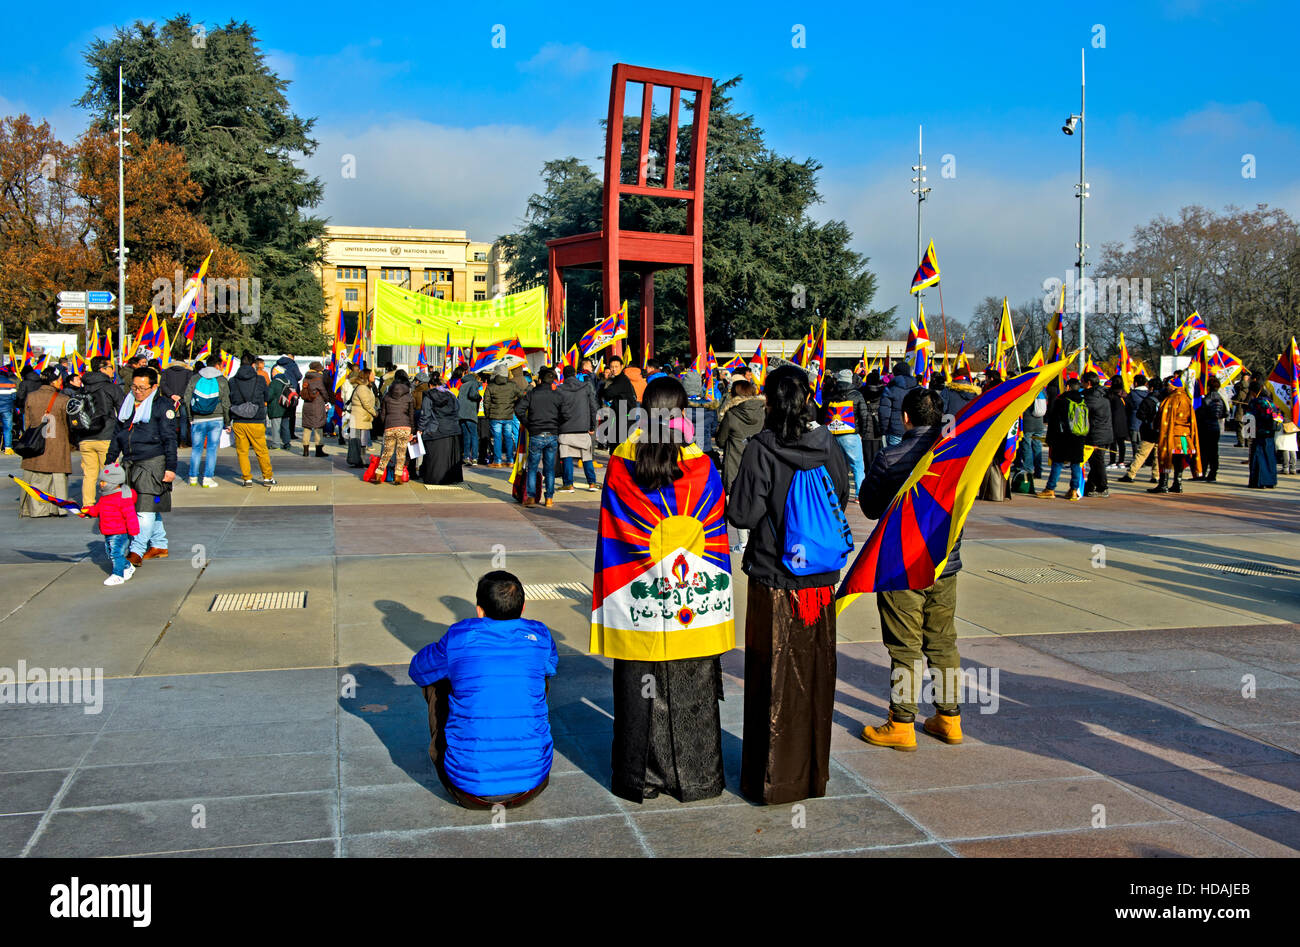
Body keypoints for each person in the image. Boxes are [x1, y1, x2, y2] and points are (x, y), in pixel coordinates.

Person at [592, 376, 734, 803]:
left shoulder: (620, 464)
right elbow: (711, 525)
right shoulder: (703, 466)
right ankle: (697, 777)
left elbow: (614, 530)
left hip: (637, 601)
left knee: (640, 689)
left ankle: (641, 778)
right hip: (691, 598)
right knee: (692, 689)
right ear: (684, 412)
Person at [726, 365, 850, 805]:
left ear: (770, 402)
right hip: (818, 586)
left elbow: (742, 514)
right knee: (814, 679)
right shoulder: (830, 445)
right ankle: (810, 776)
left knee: (771, 681)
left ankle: (771, 779)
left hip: (774, 581)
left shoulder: (761, 448)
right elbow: (840, 495)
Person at [858, 386, 966, 750]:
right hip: (945, 564)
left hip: (901, 566)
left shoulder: (890, 457)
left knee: (904, 646)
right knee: (942, 640)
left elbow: (870, 507)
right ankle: (949, 718)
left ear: (905, 418)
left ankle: (902, 722)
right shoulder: (956, 456)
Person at [408, 571, 557, 809]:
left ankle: (445, 750)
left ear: (479, 611)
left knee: (437, 680)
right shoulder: (540, 634)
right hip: (532, 786)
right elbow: (551, 666)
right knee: (537, 675)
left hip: (467, 791)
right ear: (523, 606)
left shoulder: (460, 635)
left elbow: (418, 671)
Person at [106, 366, 178, 564]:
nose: (137, 392)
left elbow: (170, 439)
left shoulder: (163, 406)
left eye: (142, 388)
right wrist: (109, 461)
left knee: (144, 510)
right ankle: (159, 545)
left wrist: (171, 468)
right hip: (130, 462)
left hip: (153, 462)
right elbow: (117, 436)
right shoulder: (127, 405)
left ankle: (136, 550)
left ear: (154, 387)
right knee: (141, 507)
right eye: (134, 387)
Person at [716, 378, 764, 552]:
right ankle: (757, 539)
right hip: (759, 463)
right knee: (758, 499)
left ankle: (743, 542)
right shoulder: (764, 410)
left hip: (735, 464)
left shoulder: (731, 414)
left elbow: (721, 441)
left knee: (738, 503)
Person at [17, 368, 72, 518]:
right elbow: (68, 425)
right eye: (60, 379)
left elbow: (27, 423)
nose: (61, 381)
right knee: (58, 476)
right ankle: (57, 508)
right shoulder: (63, 399)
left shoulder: (31, 397)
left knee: (35, 475)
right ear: (53, 381)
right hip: (57, 443)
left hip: (35, 443)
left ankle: (33, 509)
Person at [72, 357, 125, 507]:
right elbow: (124, 411)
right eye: (111, 367)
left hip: (85, 437)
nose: (113, 370)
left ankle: (87, 505)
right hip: (106, 436)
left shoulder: (83, 388)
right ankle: (111, 506)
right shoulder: (111, 388)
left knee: (89, 474)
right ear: (102, 369)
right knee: (109, 473)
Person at [80, 462, 139, 586]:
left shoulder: (123, 497)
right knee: (111, 553)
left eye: (104, 482)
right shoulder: (105, 497)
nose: (101, 484)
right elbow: (97, 510)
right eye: (101, 481)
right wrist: (88, 512)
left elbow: (130, 515)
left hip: (120, 533)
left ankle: (118, 575)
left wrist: (133, 530)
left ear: (114, 482)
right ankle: (128, 566)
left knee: (116, 554)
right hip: (108, 531)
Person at [515, 366, 562, 508]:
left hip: (536, 433)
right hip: (552, 434)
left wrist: (528, 424)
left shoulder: (532, 394)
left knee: (533, 467)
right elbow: (565, 414)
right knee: (549, 468)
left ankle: (531, 497)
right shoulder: (557, 396)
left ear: (540, 380)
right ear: (552, 381)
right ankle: (549, 498)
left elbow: (518, 409)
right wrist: (556, 425)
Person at [227, 353, 277, 487]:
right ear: (253, 364)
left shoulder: (232, 381)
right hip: (256, 419)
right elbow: (267, 396)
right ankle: (267, 477)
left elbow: (229, 399)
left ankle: (247, 478)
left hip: (238, 420)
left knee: (242, 452)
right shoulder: (260, 380)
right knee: (261, 450)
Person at [182, 354, 231, 487]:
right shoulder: (222, 380)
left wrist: (190, 417)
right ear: (217, 365)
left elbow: (186, 399)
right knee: (211, 449)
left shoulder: (195, 378)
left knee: (196, 449)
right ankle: (207, 478)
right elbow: (226, 402)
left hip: (197, 418)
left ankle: (192, 477)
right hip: (217, 418)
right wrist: (227, 422)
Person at [1038, 376, 1086, 501]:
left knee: (1057, 463)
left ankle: (1050, 489)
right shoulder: (1083, 401)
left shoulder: (1061, 400)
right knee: (1076, 464)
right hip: (1079, 437)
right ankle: (1074, 491)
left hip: (1062, 437)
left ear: (1068, 387)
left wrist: (1050, 439)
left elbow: (1054, 421)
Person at [823, 368, 868, 499]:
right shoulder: (857, 394)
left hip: (832, 435)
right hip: (851, 435)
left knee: (837, 466)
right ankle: (860, 495)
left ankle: (836, 493)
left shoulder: (832, 393)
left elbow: (824, 413)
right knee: (857, 466)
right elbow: (864, 415)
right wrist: (862, 433)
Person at [1151, 375, 1200, 494]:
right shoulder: (1187, 398)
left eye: (1168, 386)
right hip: (1185, 436)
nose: (1167, 388)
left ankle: (1163, 484)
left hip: (1172, 435)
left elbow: (1164, 418)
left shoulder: (1172, 399)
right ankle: (1178, 484)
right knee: (1179, 459)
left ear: (1173, 386)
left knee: (1166, 457)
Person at [416, 370, 463, 484]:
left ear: (430, 385)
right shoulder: (451, 395)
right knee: (450, 458)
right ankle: (452, 478)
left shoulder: (428, 395)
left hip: (435, 429)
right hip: (452, 428)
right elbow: (457, 410)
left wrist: (420, 429)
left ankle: (433, 478)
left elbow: (425, 414)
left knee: (434, 458)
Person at [557, 364, 598, 492]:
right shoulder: (585, 387)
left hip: (565, 428)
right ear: (575, 374)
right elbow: (593, 408)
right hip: (583, 427)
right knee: (586, 457)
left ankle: (568, 484)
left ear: (564, 375)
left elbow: (557, 410)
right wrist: (592, 426)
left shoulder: (560, 389)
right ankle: (592, 483)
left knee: (567, 456)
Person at [1120, 377, 1166, 483]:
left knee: (1141, 454)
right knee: (1157, 455)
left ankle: (1130, 474)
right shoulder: (1164, 399)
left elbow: (1140, 414)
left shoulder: (1148, 400)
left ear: (1152, 387)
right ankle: (1156, 476)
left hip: (1149, 431)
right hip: (1161, 431)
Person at [373, 369, 415, 484]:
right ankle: (397, 477)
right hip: (405, 426)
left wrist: (385, 424)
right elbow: (411, 415)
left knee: (387, 452)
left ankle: (378, 475)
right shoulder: (409, 396)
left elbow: (382, 413)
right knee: (401, 453)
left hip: (390, 426)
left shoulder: (387, 395)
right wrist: (412, 429)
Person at [483, 363, 523, 467]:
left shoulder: (491, 386)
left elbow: (486, 403)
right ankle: (510, 460)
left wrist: (488, 415)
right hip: (508, 415)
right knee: (508, 438)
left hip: (495, 416)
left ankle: (498, 461)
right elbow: (522, 395)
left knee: (497, 438)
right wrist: (514, 403)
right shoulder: (512, 386)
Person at [1081, 371, 1113, 498]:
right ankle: (1090, 486)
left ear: (1088, 383)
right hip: (1104, 433)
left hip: (1096, 435)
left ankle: (1103, 487)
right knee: (1095, 462)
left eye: (1083, 382)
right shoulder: (1103, 394)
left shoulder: (1092, 398)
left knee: (1097, 463)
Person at [599, 355, 638, 448]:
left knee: (620, 447)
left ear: (621, 366)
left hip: (625, 418)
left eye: (616, 366)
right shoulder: (618, 379)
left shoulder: (622, 380)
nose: (614, 369)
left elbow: (608, 394)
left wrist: (602, 391)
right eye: (612, 367)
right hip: (621, 416)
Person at [1195, 375, 1228, 482]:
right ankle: (1213, 473)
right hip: (1215, 426)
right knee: (1214, 452)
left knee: (1204, 452)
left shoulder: (1207, 398)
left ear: (1208, 387)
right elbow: (1226, 413)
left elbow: (1201, 413)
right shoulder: (1221, 399)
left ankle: (1202, 472)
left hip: (1205, 427)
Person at [878, 360, 918, 448]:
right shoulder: (918, 388)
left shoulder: (890, 389)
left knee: (894, 459)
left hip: (895, 431)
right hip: (915, 430)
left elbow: (884, 412)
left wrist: (883, 430)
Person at [1246, 380, 1278, 489]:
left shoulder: (1255, 402)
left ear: (1253, 391)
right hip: (1271, 433)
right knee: (1269, 457)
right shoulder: (1271, 403)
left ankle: (1258, 481)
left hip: (1259, 433)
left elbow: (1249, 418)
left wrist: (1248, 434)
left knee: (1258, 457)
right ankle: (1270, 481)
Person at [160, 356, 194, 447]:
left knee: (169, 420)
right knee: (183, 420)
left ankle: (171, 440)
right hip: (182, 400)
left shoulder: (166, 372)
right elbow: (189, 385)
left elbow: (163, 385)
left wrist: (171, 395)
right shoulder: (188, 372)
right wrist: (180, 395)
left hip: (169, 399)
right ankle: (183, 441)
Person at [299, 362, 330, 458]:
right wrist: (327, 399)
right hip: (317, 404)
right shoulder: (319, 377)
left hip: (307, 404)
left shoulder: (306, 377)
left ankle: (305, 451)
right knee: (318, 427)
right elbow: (323, 391)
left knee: (307, 427)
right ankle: (319, 450)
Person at [348, 368, 377, 467]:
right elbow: (366, 404)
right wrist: (375, 412)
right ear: (367, 376)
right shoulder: (362, 388)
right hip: (359, 418)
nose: (374, 376)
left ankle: (360, 460)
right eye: (372, 375)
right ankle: (358, 460)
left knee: (361, 441)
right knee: (357, 441)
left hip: (362, 417)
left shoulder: (365, 387)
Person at [1017, 386, 1047, 479]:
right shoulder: (1042, 389)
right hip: (1039, 423)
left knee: (1027, 446)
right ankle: (1038, 471)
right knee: (1037, 447)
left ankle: (1028, 470)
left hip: (1028, 423)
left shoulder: (1027, 389)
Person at [455, 366, 481, 465]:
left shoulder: (463, 385)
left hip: (461, 414)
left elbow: (458, 399)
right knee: (474, 435)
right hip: (470, 414)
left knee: (466, 436)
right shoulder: (473, 383)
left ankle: (466, 456)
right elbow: (473, 395)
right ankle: (474, 457)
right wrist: (479, 397)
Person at [860, 369, 885, 471]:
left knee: (866, 457)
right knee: (878, 454)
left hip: (865, 425)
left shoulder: (861, 391)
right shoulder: (884, 392)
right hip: (878, 425)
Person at [1107, 376, 1130, 470]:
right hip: (1123, 421)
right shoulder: (1124, 394)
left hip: (1112, 420)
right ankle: (1121, 461)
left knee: (1113, 443)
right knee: (1121, 443)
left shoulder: (1110, 394)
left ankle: (1112, 461)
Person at [0, 361, 17, 454]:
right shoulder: (11, 383)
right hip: (7, 409)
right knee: (7, 428)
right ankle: (8, 448)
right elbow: (14, 397)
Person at [1277, 412, 1298, 476]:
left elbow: (1277, 415)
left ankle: (1286, 468)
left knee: (1285, 447)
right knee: (1292, 447)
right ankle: (1293, 468)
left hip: (1284, 425)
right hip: (1293, 425)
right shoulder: (1294, 402)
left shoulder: (1281, 403)